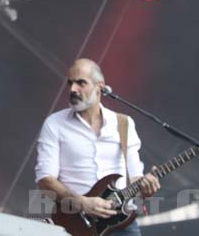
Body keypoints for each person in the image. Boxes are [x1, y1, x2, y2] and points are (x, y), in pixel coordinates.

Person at [35, 58, 160, 236]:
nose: (72, 89)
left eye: (81, 83)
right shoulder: (55, 124)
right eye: (70, 83)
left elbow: (134, 179)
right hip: (75, 224)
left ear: (99, 87)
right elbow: (45, 181)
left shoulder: (124, 123)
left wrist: (146, 189)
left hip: (121, 225)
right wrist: (82, 203)